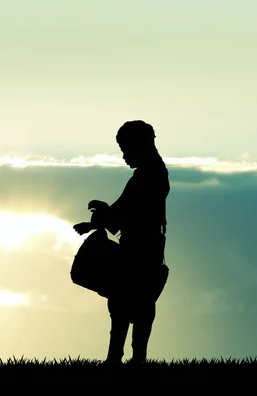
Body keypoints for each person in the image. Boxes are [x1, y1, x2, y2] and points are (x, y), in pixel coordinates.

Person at [73, 120, 170, 365]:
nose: (125, 156)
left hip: (143, 247)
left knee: (135, 301)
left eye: (126, 150)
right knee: (122, 301)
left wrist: (105, 216)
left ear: (141, 145)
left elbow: (132, 213)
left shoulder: (151, 175)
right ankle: (119, 357)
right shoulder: (147, 174)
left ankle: (134, 358)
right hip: (136, 244)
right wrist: (96, 222)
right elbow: (122, 209)